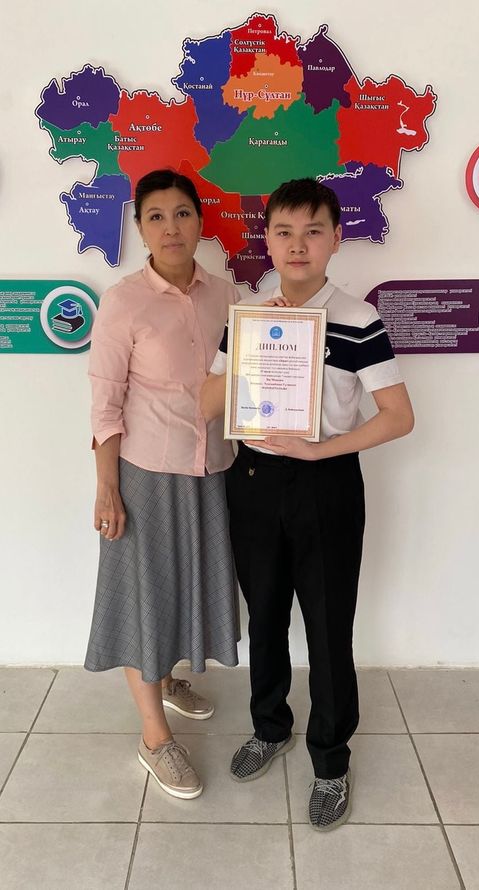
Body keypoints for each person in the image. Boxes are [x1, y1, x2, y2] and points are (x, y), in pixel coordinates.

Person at [201, 177, 414, 830]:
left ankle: (330, 759)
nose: (298, 245)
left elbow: (399, 415)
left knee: (327, 625)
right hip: (255, 481)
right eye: (285, 232)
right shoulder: (248, 315)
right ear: (267, 240)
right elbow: (206, 403)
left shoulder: (357, 319)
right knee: (264, 617)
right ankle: (270, 727)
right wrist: (254, 348)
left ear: (336, 239)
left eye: (313, 231)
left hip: (327, 483)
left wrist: (323, 450)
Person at [85, 168, 240, 800]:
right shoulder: (123, 301)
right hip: (145, 473)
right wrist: (107, 487)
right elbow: (105, 404)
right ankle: (154, 738)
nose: (171, 227)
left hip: (213, 470)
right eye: (156, 216)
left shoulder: (226, 295)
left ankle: (168, 680)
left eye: (182, 213)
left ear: (200, 220)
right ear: (140, 227)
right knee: (144, 597)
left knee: (186, 586)